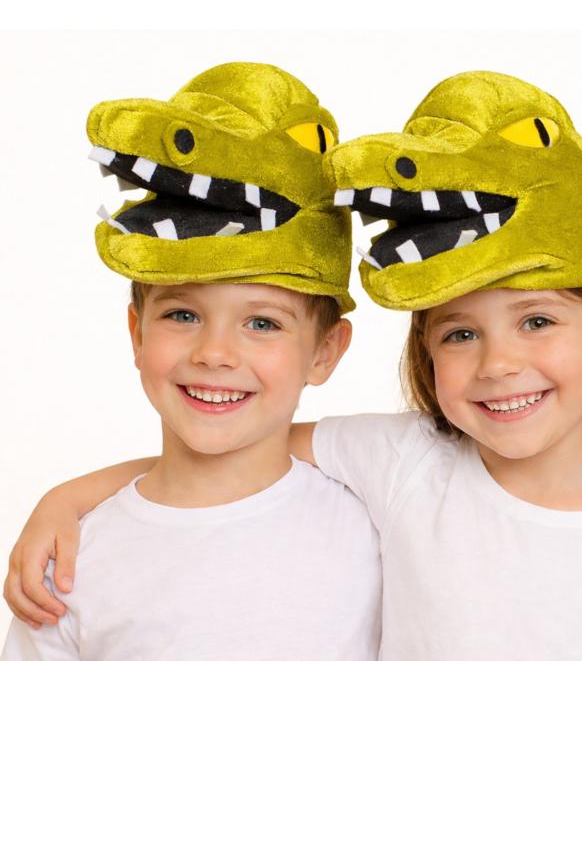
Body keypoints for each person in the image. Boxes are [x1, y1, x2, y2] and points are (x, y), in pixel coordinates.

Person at [5, 70, 582, 660]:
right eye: (459, 334)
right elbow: (244, 447)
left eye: (536, 321)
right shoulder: (406, 466)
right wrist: (68, 499)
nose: (499, 364)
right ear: (425, 348)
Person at [1, 62, 381, 660]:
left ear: (325, 352)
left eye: (262, 323)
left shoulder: (381, 517)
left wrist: (66, 494)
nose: (214, 354)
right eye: (182, 315)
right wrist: (65, 500)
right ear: (137, 332)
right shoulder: (68, 562)